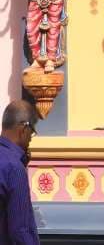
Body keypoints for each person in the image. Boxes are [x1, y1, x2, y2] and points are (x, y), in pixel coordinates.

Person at [1, 100, 40, 245]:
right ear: (24, 129)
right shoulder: (14, 168)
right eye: (33, 131)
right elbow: (20, 230)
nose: (31, 137)